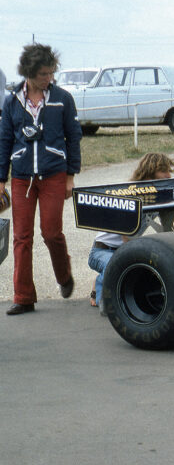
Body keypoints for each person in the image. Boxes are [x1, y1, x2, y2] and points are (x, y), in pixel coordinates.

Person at [0, 43, 82, 316]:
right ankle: (23, 297)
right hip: (22, 178)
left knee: (51, 233)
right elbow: (4, 141)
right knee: (21, 237)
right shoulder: (12, 101)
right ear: (30, 73)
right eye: (44, 74)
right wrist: (1, 179)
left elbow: (74, 137)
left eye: (51, 72)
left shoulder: (62, 98)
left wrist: (70, 176)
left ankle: (64, 276)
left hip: (54, 175)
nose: (49, 78)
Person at [88, 153, 174, 314]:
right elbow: (125, 237)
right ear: (150, 171)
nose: (168, 175)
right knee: (116, 270)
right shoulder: (130, 194)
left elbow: (167, 229)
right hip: (101, 251)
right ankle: (103, 293)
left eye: (169, 171)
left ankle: (102, 281)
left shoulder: (158, 196)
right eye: (164, 171)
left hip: (121, 249)